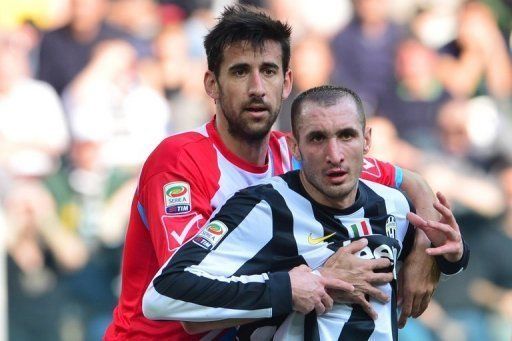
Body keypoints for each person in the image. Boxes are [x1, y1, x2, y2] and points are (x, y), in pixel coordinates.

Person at [105, 5, 440, 339]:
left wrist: (425, 253)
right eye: (239, 72)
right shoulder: (179, 162)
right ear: (212, 84)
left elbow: (410, 181)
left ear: (286, 82)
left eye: (268, 71)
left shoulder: (302, 152)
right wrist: (317, 278)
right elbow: (188, 296)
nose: (256, 87)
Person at [142, 85, 469, 340]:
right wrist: (301, 285)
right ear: (295, 147)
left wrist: (449, 257)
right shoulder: (264, 207)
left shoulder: (393, 205)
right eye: (317, 139)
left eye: (346, 135)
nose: (334, 154)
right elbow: (163, 295)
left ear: (366, 141)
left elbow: (436, 251)